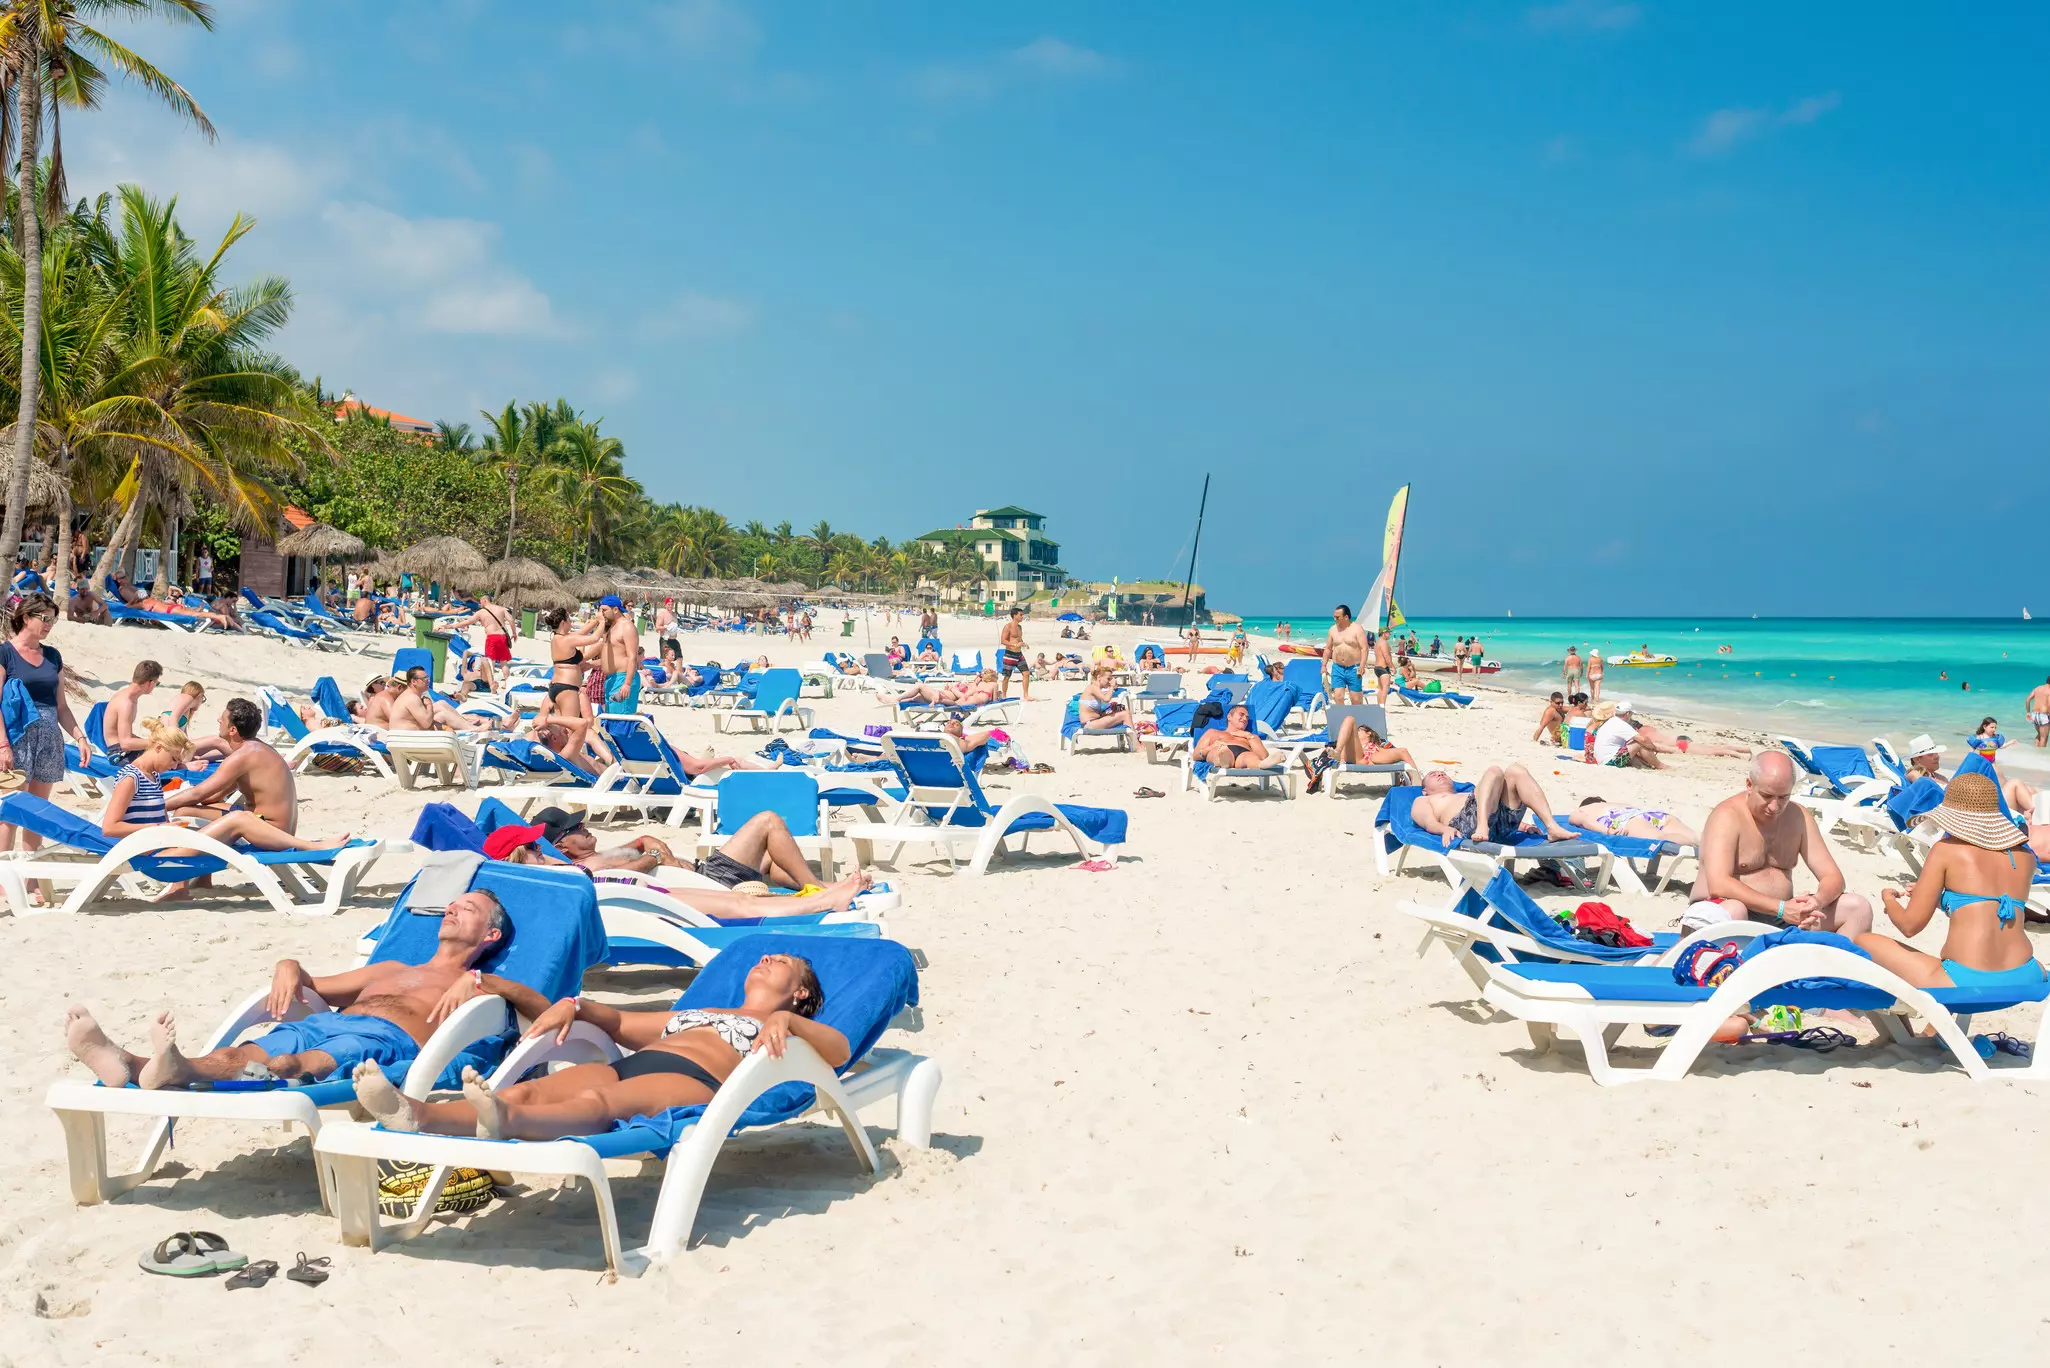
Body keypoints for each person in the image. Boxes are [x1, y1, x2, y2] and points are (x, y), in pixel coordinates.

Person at [64, 890, 534, 1089]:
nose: (452, 909)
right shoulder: (387, 967)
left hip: (382, 1040)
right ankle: (136, 1064)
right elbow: (314, 985)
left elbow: (543, 1012)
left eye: (467, 908)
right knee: (245, 1051)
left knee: (308, 1058)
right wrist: (288, 964)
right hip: (327, 1022)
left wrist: (485, 984)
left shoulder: (479, 989)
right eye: (451, 904)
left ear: (489, 936)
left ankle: (273, 1073)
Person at [352, 951, 838, 1142]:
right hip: (642, 1062)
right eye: (765, 957)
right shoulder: (698, 1013)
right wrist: (575, 1007)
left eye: (782, 963)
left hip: (696, 1082)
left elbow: (837, 1050)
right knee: (527, 1091)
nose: (766, 958)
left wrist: (785, 1020)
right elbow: (625, 1022)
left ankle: (509, 1124)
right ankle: (418, 1115)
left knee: (599, 1104)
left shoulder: (789, 1026)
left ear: (799, 991)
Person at [1855, 772, 2042, 989]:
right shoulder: (2025, 858)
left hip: (1966, 979)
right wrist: (1940, 900)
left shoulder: (1946, 851)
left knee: (1862, 942)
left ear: (1952, 816)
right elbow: (1990, 905)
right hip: (2026, 975)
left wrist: (1889, 899)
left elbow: (1909, 926)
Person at [1682, 751, 1873, 935]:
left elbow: (1833, 877)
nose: (1774, 807)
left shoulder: (1798, 817)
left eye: (1783, 797)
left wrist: (1816, 902)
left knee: (1858, 909)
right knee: (1735, 908)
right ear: (1749, 785)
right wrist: (1782, 908)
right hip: (1727, 910)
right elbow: (1719, 884)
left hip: (1782, 917)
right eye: (1766, 796)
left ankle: (1832, 966)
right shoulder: (1727, 817)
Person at [0, 594, 91, 857]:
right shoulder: (5, 654)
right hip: (17, 738)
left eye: (53, 620)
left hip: (50, 739)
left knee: (38, 811)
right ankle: (5, 879)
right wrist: (3, 745)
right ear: (26, 617)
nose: (50, 624)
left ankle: (30, 879)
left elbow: (61, 706)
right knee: (12, 811)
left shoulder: (52, 656)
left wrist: (81, 739)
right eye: (45, 619)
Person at [1410, 766, 1577, 846]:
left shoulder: (1466, 794)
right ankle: (1482, 827)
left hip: (1498, 826)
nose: (1440, 774)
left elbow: (1491, 803)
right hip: (1468, 827)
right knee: (1494, 771)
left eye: (1443, 773)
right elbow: (1428, 822)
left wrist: (1523, 826)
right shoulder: (1423, 800)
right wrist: (1444, 830)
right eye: (1434, 774)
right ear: (1424, 790)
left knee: (1515, 771)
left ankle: (1552, 826)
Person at [535, 606, 611, 771]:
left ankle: (561, 762)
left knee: (562, 731)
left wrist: (595, 620)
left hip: (556, 687)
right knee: (570, 730)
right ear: (563, 622)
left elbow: (582, 632)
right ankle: (571, 767)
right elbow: (595, 638)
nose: (571, 623)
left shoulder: (558, 638)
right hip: (567, 688)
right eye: (569, 620)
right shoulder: (567, 640)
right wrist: (603, 622)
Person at [99, 719, 195, 838]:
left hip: (156, 845)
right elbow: (109, 828)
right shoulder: (131, 778)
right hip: (141, 851)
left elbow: (161, 818)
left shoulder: (153, 776)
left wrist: (169, 829)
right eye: (174, 759)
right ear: (159, 748)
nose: (174, 766)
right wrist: (159, 829)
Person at [390, 666, 496, 732]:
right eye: (424, 679)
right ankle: (474, 729)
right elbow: (426, 723)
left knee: (441, 703)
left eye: (428, 677)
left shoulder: (411, 695)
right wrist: (429, 705)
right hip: (408, 739)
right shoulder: (412, 698)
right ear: (414, 682)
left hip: (408, 735)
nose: (428, 680)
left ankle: (466, 723)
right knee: (443, 715)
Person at [1569, 798, 1702, 847]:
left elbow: (1579, 818)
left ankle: (1691, 844)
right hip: (1653, 814)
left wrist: (1608, 831)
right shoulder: (1616, 803)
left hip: (1627, 820)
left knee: (1660, 839)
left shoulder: (1585, 809)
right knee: (1695, 839)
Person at [453, 594, 516, 694]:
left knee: (491, 661)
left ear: (485, 600)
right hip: (503, 636)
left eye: (481, 602)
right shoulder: (501, 609)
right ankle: (507, 683)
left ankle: (491, 684)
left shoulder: (481, 612)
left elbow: (469, 621)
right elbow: (511, 620)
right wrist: (514, 633)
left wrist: (453, 626)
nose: (480, 604)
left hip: (492, 637)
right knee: (504, 662)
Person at [104, 659, 165, 761]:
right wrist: (156, 742)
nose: (155, 686)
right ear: (149, 683)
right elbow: (125, 743)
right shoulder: (126, 703)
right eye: (156, 683)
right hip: (118, 754)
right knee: (164, 761)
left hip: (121, 749)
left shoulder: (126, 695)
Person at [597, 594, 643, 714]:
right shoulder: (612, 626)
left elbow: (632, 657)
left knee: (620, 722)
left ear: (615, 609)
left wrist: (627, 683)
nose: (601, 613)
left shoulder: (626, 627)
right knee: (610, 722)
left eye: (604, 610)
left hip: (622, 678)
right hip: (610, 680)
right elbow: (612, 655)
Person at [1194, 704, 1271, 771]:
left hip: (1243, 754)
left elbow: (1264, 756)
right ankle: (1224, 760)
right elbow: (1196, 755)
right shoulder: (1213, 732)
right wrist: (1211, 747)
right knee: (1219, 752)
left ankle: (1260, 765)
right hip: (1219, 749)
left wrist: (1248, 736)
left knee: (1250, 757)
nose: (1245, 719)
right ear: (1229, 717)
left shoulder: (1251, 737)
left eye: (1247, 718)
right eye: (1241, 714)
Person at [1592, 699, 1664, 769]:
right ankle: (1660, 766)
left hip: (1602, 759)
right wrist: (1654, 748)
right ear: (1627, 713)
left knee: (1631, 743)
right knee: (1638, 743)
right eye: (1631, 714)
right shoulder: (1621, 724)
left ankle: (1643, 765)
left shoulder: (1610, 721)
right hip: (1609, 761)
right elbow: (1643, 740)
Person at [1322, 604, 1368, 706]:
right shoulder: (1332, 630)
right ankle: (1343, 719)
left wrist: (1362, 665)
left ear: (1346, 617)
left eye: (1337, 617)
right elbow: (1328, 649)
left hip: (1354, 668)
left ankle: (1357, 719)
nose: (1334, 619)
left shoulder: (1357, 629)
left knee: (1355, 699)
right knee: (1338, 696)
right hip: (1337, 667)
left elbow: (1364, 648)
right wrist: (1324, 665)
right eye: (1334, 616)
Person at [1076, 663, 1133, 733]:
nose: (1109, 681)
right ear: (1099, 677)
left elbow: (1093, 711)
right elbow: (1106, 699)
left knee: (1125, 711)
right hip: (1089, 724)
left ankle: (1132, 740)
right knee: (1125, 715)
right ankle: (1135, 742)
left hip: (1094, 721)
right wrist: (1112, 686)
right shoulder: (1092, 687)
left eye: (1111, 679)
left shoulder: (1096, 688)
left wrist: (1107, 712)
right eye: (1108, 679)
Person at [999, 605, 1031, 701]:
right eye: (1020, 615)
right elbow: (1003, 641)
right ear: (1014, 615)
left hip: (1019, 655)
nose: (1022, 617)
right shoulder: (1008, 627)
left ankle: (1026, 695)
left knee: (1026, 673)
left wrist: (1024, 644)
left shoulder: (1020, 627)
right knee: (1007, 677)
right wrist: (1014, 645)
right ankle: (1004, 695)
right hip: (1010, 654)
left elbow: (1019, 639)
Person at [1371, 628, 1395, 706]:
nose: (1390, 635)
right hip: (1383, 667)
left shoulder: (1377, 642)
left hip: (1377, 667)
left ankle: (1379, 707)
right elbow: (1386, 656)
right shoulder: (1383, 643)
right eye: (1388, 633)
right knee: (1385, 688)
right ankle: (1382, 707)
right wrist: (1392, 667)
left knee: (1381, 689)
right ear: (1384, 633)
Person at [2027, 676, 2050, 748]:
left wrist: (2028, 712)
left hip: (2034, 715)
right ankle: (2040, 756)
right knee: (2044, 737)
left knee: (2040, 734)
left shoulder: (2037, 688)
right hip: (2044, 715)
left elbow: (2028, 700)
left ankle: (2036, 751)